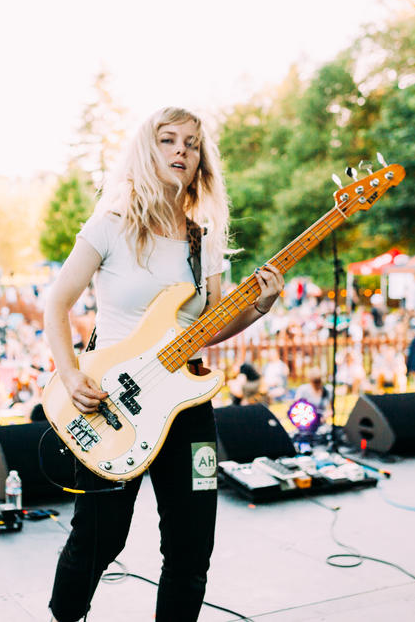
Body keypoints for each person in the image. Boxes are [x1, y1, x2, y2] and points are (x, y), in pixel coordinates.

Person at [44, 107, 284, 622]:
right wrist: (70, 374)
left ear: (202, 160)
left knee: (192, 548)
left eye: (192, 144)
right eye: (168, 140)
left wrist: (259, 305)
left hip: (186, 406)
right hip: (112, 401)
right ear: (146, 151)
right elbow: (56, 303)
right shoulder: (109, 226)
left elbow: (210, 324)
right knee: (97, 538)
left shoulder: (204, 238)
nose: (181, 151)